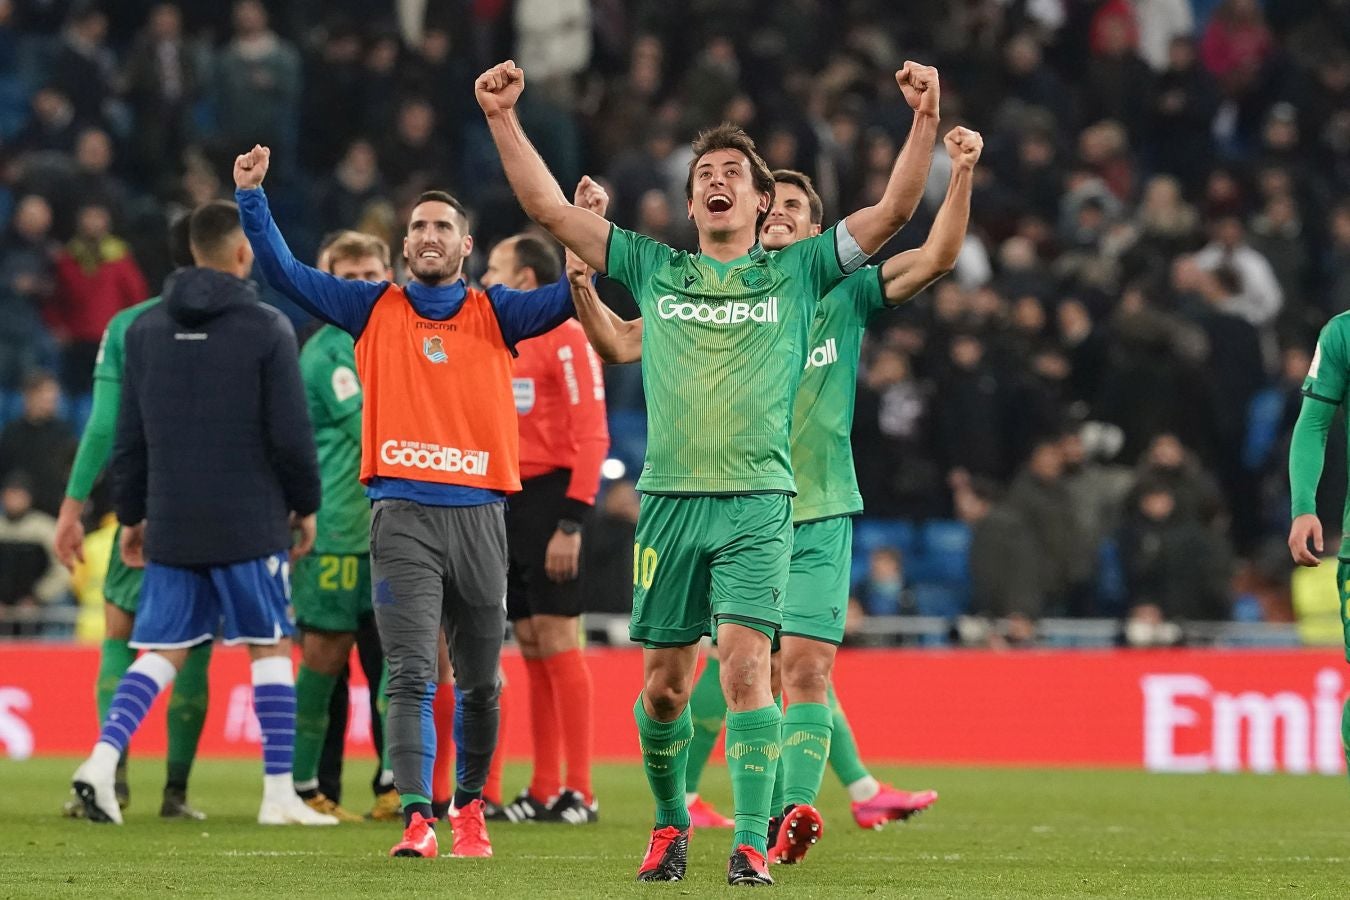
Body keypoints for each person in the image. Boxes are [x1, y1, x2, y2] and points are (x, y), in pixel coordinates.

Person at [477, 55, 940, 885]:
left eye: (734, 172)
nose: (718, 181)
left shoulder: (799, 272)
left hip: (762, 501)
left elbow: (899, 209)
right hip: (668, 504)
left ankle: (751, 843)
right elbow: (546, 208)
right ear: (691, 204)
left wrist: (925, 120)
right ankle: (667, 826)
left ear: (763, 203)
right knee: (663, 690)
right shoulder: (657, 270)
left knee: (746, 666)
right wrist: (503, 117)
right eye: (705, 175)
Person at [570, 131, 981, 862]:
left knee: (797, 668)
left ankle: (786, 814)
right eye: (776, 207)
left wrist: (963, 171)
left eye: (794, 206)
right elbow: (623, 344)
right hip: (728, 497)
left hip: (813, 504)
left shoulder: (842, 291)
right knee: (714, 669)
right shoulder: (710, 292)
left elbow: (936, 254)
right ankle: (696, 802)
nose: (782, 217)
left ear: (814, 229)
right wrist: (578, 283)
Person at [232, 143, 580, 859]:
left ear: (466, 245)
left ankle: (472, 810)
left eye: (441, 227)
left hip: (483, 516)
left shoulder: (498, 313)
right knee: (411, 676)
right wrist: (251, 199)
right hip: (401, 518)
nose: (427, 236)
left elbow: (576, 293)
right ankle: (420, 816)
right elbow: (285, 273)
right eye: (417, 227)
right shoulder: (372, 307)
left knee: (482, 683)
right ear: (403, 246)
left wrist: (584, 228)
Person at [70, 200, 334, 827]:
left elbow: (128, 440)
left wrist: (133, 516)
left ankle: (102, 762)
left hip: (171, 520)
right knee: (269, 645)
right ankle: (277, 795)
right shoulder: (268, 327)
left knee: (162, 648)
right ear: (243, 254)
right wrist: (307, 506)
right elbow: (291, 435)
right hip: (249, 519)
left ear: (191, 252)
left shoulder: (143, 330)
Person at [54, 215, 213, 821]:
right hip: (227, 511)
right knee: (194, 644)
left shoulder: (129, 324)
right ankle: (177, 793)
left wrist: (72, 507)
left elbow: (102, 425)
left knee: (121, 631)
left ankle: (109, 774)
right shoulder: (249, 319)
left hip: (148, 505)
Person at [482, 232, 609, 825]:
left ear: (525, 279)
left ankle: (579, 791)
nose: (486, 278)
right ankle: (540, 788)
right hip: (505, 499)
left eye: (495, 268)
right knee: (530, 646)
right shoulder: (499, 340)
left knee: (558, 641)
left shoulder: (567, 338)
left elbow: (593, 435)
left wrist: (572, 521)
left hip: (552, 500)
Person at [289, 230, 394, 824]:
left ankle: (392, 782)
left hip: (392, 537)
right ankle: (303, 785)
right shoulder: (327, 351)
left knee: (397, 664)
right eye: (346, 276)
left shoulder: (398, 339)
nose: (360, 285)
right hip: (336, 535)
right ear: (327, 284)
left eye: (370, 273)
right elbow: (373, 432)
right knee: (325, 663)